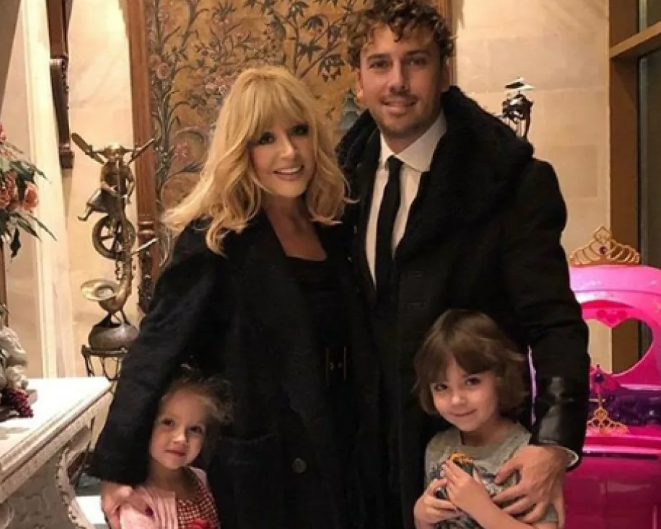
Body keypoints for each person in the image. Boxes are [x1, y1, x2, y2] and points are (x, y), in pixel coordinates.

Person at [90, 65, 381, 529]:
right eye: (265, 138)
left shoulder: (333, 226)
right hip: (267, 472)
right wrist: (117, 465)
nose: (289, 152)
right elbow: (155, 350)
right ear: (241, 150)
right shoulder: (216, 238)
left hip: (341, 445)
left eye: (299, 131)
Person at [336, 0, 590, 527]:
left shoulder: (511, 181)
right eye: (380, 64)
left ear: (444, 72)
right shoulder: (336, 183)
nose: (397, 81)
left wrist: (553, 444)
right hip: (366, 459)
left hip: (478, 458)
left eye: (416, 61)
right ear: (359, 80)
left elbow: (555, 323)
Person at [412, 310, 561, 529]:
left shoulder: (525, 454)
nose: (456, 399)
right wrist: (421, 516)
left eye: (471, 381)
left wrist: (481, 509)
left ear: (500, 378)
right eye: (441, 387)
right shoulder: (438, 447)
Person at [119, 368, 231, 529]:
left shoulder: (202, 479)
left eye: (195, 429)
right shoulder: (136, 503)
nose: (181, 439)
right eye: (168, 422)